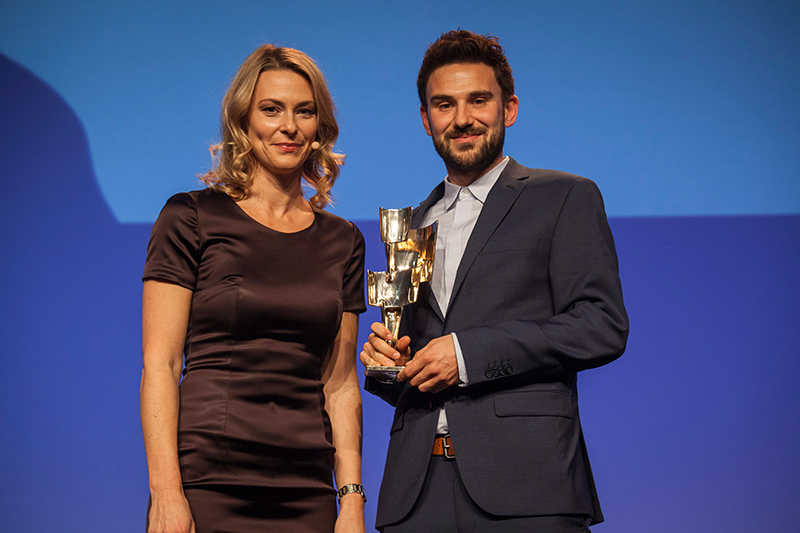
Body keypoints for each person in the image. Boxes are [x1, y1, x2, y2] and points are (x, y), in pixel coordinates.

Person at [361, 30, 629, 532]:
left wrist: (465, 355)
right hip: (415, 495)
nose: (462, 118)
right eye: (444, 105)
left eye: (478, 100)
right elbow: (420, 358)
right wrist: (387, 366)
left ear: (509, 109)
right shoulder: (412, 224)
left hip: (528, 486)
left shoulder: (563, 197)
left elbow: (601, 325)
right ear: (426, 120)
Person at [140, 44, 367, 533]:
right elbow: (161, 364)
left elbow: (342, 384)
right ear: (243, 120)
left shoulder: (343, 241)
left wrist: (351, 502)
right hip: (210, 483)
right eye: (271, 109)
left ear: (319, 126)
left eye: (303, 111)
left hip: (308, 488)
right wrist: (166, 495)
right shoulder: (191, 216)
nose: (289, 126)